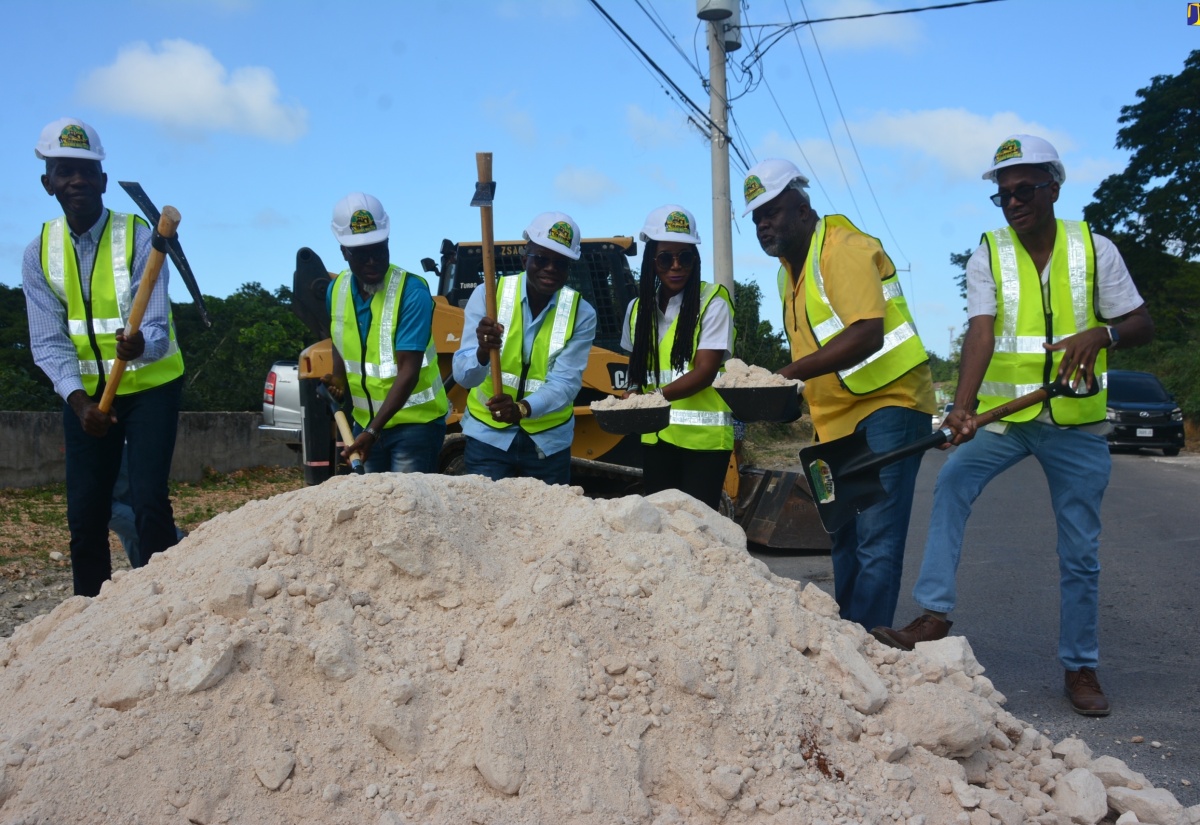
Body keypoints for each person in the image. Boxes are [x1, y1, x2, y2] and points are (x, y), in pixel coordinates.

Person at [871, 135, 1154, 717]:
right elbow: (980, 330)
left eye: (1024, 190)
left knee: (1080, 548)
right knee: (951, 483)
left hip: (1076, 421)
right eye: (1003, 195)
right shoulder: (988, 253)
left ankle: (1080, 666)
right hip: (1009, 420)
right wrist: (963, 408)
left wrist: (1104, 333)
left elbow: (1140, 321)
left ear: (1053, 187)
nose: (1013, 202)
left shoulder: (1095, 249)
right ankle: (934, 614)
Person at [744, 158, 935, 631]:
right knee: (845, 537)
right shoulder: (788, 273)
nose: (764, 223)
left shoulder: (844, 248)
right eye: (756, 218)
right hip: (836, 420)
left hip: (887, 406)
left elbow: (867, 333)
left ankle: (868, 647)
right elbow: (817, 351)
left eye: (773, 211)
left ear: (803, 208)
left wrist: (784, 376)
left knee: (876, 539)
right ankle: (851, 638)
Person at [22, 117, 185, 596]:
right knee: (85, 511)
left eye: (87, 171)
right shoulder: (39, 253)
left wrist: (140, 345)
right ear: (47, 182)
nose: (76, 180)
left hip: (152, 384)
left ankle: (166, 602)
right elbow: (48, 342)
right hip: (87, 398)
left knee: (150, 499)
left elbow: (154, 325)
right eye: (64, 170)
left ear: (104, 181)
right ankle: (89, 618)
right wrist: (79, 403)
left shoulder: (139, 236)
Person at [452, 212, 597, 485]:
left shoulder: (582, 313)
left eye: (561, 263)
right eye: (541, 259)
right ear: (524, 259)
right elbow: (463, 377)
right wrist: (482, 352)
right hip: (487, 438)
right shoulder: (488, 295)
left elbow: (566, 383)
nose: (550, 268)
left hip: (548, 444)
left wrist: (522, 408)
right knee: (487, 520)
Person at [323, 192, 449, 473]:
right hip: (365, 423)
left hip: (415, 426)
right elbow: (340, 337)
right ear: (344, 251)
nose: (372, 261)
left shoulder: (411, 291)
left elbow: (409, 371)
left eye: (379, 250)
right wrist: (338, 377)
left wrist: (373, 431)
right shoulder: (337, 290)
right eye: (361, 254)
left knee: (408, 508)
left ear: (388, 242)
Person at [620, 204, 734, 510]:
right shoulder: (637, 311)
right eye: (665, 258)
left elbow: (706, 370)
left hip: (704, 442)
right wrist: (630, 395)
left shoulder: (712, 302)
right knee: (664, 529)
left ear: (694, 259)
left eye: (685, 257)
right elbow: (636, 371)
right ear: (651, 261)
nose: (676, 265)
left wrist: (651, 399)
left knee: (698, 529)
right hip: (656, 437)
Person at [110, 442, 186, 566]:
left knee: (99, 508)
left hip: (113, 440)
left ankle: (172, 540)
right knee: (127, 505)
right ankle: (146, 572)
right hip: (121, 441)